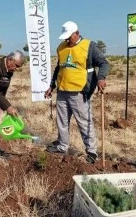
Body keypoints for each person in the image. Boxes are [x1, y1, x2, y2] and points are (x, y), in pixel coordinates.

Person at [44, 21, 110, 164]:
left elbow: (104, 63)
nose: (67, 40)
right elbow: (59, 68)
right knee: (61, 121)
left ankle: (92, 152)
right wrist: (52, 85)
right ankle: (62, 146)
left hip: (79, 92)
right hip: (62, 90)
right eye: (65, 37)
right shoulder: (61, 47)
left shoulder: (89, 46)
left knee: (84, 121)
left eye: (69, 37)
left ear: (77, 33)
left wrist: (101, 78)